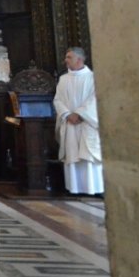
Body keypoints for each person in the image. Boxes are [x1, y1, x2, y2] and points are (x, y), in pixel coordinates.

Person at [54, 47, 103, 196]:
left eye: (69, 57)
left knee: (88, 156)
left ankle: (95, 189)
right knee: (72, 155)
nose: (65, 60)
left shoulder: (92, 77)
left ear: (79, 60)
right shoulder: (63, 79)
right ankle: (74, 188)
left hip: (86, 122)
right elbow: (58, 100)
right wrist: (68, 114)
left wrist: (80, 114)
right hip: (70, 123)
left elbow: (95, 99)